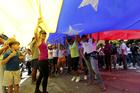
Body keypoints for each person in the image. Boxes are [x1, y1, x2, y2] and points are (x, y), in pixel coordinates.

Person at [34, 18, 49, 93]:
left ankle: (36, 90)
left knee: (41, 76)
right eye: (43, 35)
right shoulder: (39, 40)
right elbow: (35, 32)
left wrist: (41, 27)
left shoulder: (43, 41)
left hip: (43, 60)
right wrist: (37, 23)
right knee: (45, 76)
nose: (44, 36)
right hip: (43, 61)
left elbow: (41, 32)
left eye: (45, 35)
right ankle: (44, 91)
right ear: (40, 35)